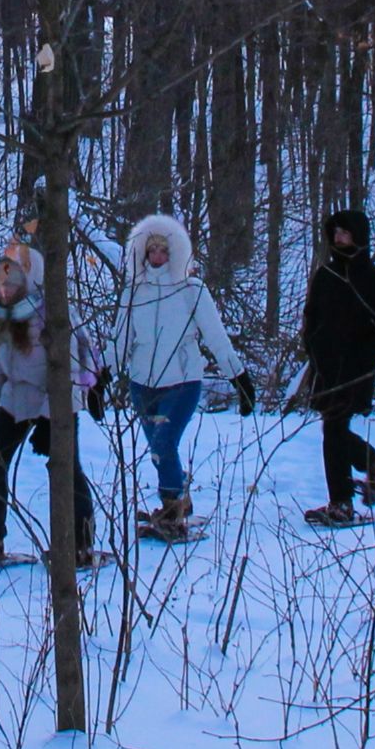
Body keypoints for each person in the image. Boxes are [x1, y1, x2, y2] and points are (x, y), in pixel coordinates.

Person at [106, 215, 255, 540]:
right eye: (151, 250)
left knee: (164, 444)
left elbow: (216, 337)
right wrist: (101, 376)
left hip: (184, 380)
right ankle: (177, 496)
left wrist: (239, 378)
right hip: (143, 383)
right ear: (142, 253)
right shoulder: (134, 292)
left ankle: (172, 507)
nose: (157, 256)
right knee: (158, 451)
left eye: (164, 250)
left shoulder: (192, 290)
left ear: (175, 252)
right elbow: (120, 341)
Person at [0, 241, 103, 564]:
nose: (5, 290)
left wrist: (51, 420)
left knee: (66, 468)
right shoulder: (2, 315)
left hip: (59, 399)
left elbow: (72, 366)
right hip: (17, 398)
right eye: (1, 282)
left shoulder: (53, 312)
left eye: (12, 283)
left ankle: (81, 542)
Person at [301, 209, 375, 526]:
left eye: (345, 233)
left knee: (333, 428)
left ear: (359, 235)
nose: (339, 239)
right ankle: (374, 462)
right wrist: (313, 351)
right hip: (326, 366)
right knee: (334, 427)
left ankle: (341, 502)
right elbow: (311, 318)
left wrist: (365, 356)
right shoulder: (325, 276)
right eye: (336, 233)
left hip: (357, 367)